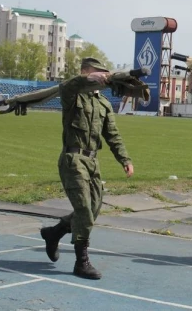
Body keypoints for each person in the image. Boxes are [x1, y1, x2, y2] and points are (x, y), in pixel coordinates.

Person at [40, 57, 134, 280]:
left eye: (104, 73)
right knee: (83, 210)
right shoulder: (73, 94)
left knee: (92, 210)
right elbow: (66, 86)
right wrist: (85, 79)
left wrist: (125, 159)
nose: (101, 77)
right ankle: (81, 262)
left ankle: (54, 233)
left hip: (93, 162)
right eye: (96, 73)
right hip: (73, 159)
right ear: (85, 72)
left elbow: (112, 135)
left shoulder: (103, 103)